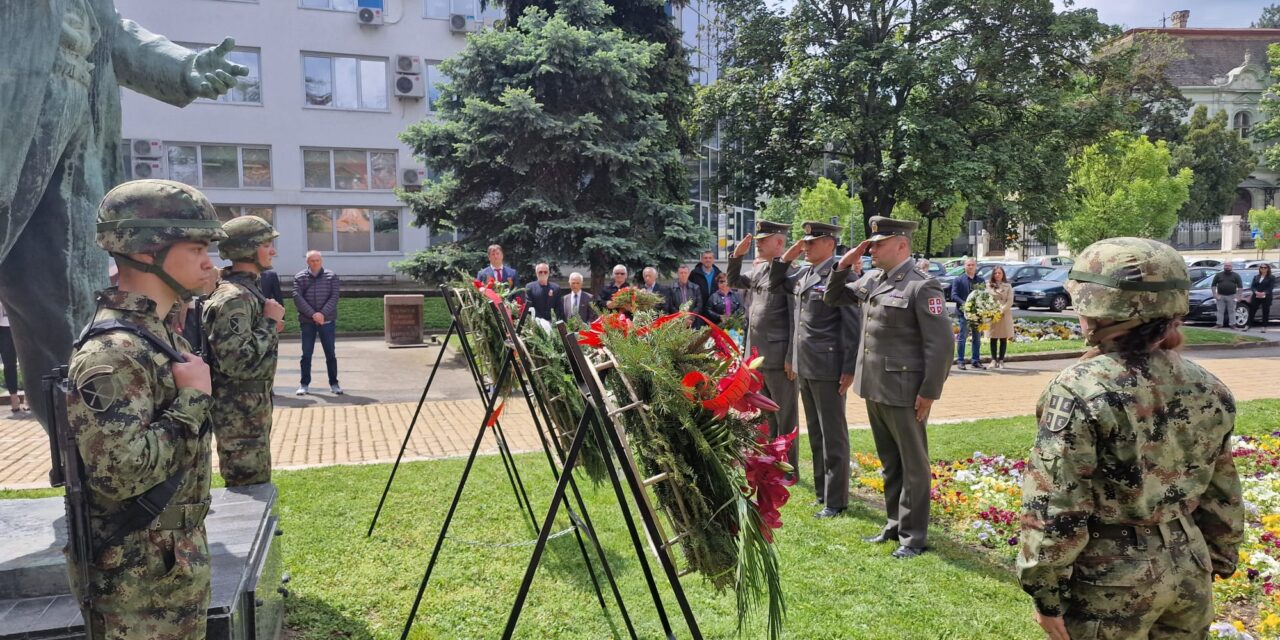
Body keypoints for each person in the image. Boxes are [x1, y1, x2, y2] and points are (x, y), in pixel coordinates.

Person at [0, 6, 246, 437]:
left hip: (74, 109)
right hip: (11, 93)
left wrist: (183, 65)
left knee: (66, 300)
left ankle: (91, 462)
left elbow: (111, 31)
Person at [1018, 237, 1243, 640]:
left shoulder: (1080, 388)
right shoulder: (1206, 384)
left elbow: (1057, 500)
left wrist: (1044, 589)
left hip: (1111, 579)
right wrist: (1221, 554)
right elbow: (1222, 486)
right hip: (1189, 567)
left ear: (1101, 309)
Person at [64, 179, 226, 638]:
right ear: (147, 249)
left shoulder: (155, 335)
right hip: (136, 576)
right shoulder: (112, 352)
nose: (207, 260)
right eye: (195, 247)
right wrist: (194, 398)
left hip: (167, 559)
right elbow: (121, 472)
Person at [825, 216, 953, 559]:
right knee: (890, 462)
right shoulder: (872, 279)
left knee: (913, 464)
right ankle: (894, 524)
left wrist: (929, 391)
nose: (872, 250)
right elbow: (833, 297)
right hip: (876, 387)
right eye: (871, 244)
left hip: (906, 390)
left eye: (879, 244)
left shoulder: (921, 286)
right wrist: (843, 265)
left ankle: (914, 537)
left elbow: (939, 346)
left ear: (902, 245)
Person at [769, 221, 860, 519]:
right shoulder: (806, 273)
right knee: (817, 434)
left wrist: (848, 368)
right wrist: (787, 256)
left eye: (812, 242)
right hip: (807, 365)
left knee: (833, 435)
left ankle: (836, 501)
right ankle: (823, 493)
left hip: (829, 366)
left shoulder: (840, 276)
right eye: (804, 242)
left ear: (830, 245)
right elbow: (776, 283)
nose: (805, 246)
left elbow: (851, 324)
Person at [202, 216, 284, 486]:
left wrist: (267, 326)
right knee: (247, 482)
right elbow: (236, 362)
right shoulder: (236, 297)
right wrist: (270, 324)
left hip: (249, 409)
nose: (273, 250)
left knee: (255, 478)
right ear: (247, 249)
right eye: (266, 244)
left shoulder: (246, 291)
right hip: (239, 413)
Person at [727, 221, 799, 479]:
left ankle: (789, 471)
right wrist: (737, 255)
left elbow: (795, 318)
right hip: (760, 357)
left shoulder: (790, 273)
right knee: (767, 416)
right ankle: (771, 463)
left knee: (786, 417)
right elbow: (734, 280)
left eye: (764, 238)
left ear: (779, 243)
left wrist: (792, 357)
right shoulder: (759, 271)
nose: (758, 242)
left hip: (780, 358)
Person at [293, 251, 341, 395]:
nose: (315, 263)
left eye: (317, 260)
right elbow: (297, 297)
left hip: (327, 321)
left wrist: (322, 314)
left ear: (321, 261)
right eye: (312, 260)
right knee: (306, 354)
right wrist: (313, 314)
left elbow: (334, 296)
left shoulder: (331, 276)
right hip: (307, 321)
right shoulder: (300, 277)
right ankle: (304, 384)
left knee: (330, 354)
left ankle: (334, 383)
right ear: (307, 262)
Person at [951, 258, 986, 369]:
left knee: (977, 338)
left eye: (972, 265)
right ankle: (960, 361)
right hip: (963, 313)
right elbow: (954, 295)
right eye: (968, 265)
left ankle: (975, 360)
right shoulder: (958, 280)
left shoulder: (980, 280)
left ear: (976, 266)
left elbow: (983, 295)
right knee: (962, 337)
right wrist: (965, 304)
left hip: (977, 314)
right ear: (964, 266)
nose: (970, 267)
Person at [985, 266, 1015, 369]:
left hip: (1004, 314)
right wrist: (993, 310)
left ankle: (1001, 360)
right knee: (993, 337)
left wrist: (1002, 310)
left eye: (999, 273)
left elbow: (1010, 301)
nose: (997, 275)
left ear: (1003, 275)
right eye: (996, 273)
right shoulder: (988, 285)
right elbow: (985, 299)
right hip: (992, 313)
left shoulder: (1008, 286)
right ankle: (993, 360)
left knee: (1003, 337)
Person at [0, 302, 24, 415]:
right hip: (3, 327)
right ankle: (14, 399)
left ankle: (30, 399)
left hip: (19, 323)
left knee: (27, 362)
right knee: (9, 363)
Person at [1211, 263, 1243, 329]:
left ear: (1231, 267)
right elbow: (1213, 285)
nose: (1227, 267)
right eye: (1226, 266)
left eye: (1229, 266)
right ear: (1224, 267)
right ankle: (1219, 324)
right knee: (1220, 311)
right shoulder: (1218, 275)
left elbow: (1240, 287)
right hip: (1220, 295)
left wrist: (1239, 296)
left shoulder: (1236, 275)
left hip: (1232, 296)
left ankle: (1233, 325)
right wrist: (1215, 294)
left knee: (1232, 311)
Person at [1248, 263, 1274, 332]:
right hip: (1256, 296)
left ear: (1268, 269)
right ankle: (1248, 325)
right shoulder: (1256, 277)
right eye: (1261, 267)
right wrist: (1255, 292)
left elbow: (1270, 287)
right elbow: (1253, 286)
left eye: (1265, 268)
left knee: (1265, 311)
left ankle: (1264, 327)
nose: (1263, 269)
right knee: (1252, 310)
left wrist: (1264, 292)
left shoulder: (1271, 277)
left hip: (1266, 296)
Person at [259, 268, 286, 333]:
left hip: (266, 315)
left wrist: (281, 319)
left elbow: (278, 296)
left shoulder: (270, 275)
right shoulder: (239, 275)